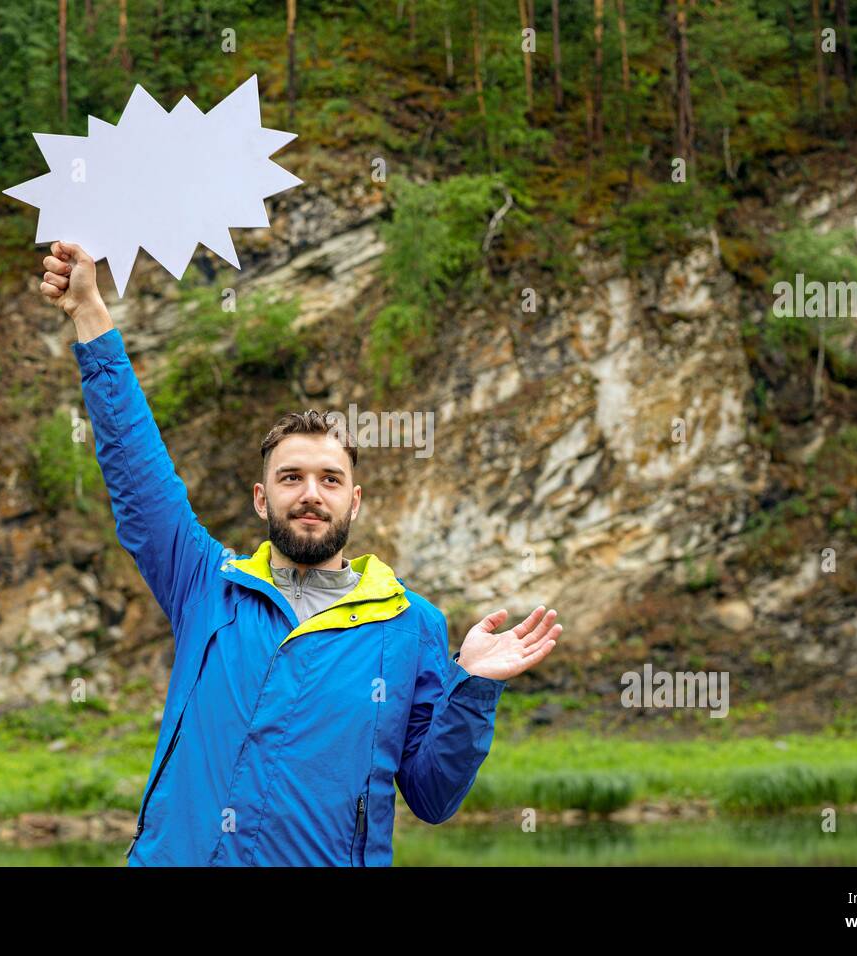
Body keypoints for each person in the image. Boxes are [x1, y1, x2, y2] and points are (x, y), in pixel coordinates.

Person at [38, 241, 562, 866]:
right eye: (291, 478)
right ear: (262, 498)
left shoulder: (409, 625)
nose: (310, 494)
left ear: (355, 502)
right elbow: (136, 468)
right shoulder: (207, 585)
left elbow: (433, 797)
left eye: (329, 479)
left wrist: (471, 689)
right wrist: (90, 315)